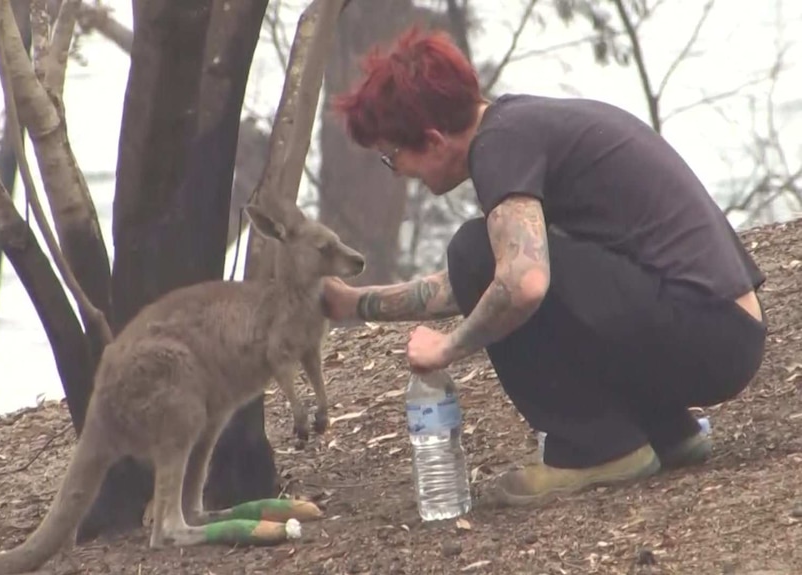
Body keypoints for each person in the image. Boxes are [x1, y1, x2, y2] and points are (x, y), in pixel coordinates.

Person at [321, 26, 767, 507]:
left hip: (703, 329)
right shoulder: (521, 127)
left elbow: (522, 282)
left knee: (474, 249)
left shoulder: (500, 145)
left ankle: (594, 449)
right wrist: (357, 304)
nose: (400, 172)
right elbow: (481, 284)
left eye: (393, 157)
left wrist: (448, 348)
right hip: (723, 332)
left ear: (432, 139)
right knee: (482, 259)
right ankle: (667, 430)